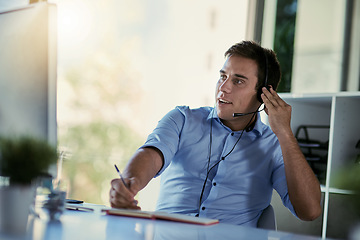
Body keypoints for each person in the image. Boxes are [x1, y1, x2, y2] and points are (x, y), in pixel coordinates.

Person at [109, 40, 322, 227]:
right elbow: (151, 155)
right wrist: (129, 183)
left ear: (264, 94)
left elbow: (310, 211)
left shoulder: (274, 145)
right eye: (222, 76)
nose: (223, 88)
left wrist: (285, 132)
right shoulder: (182, 119)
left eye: (238, 81)